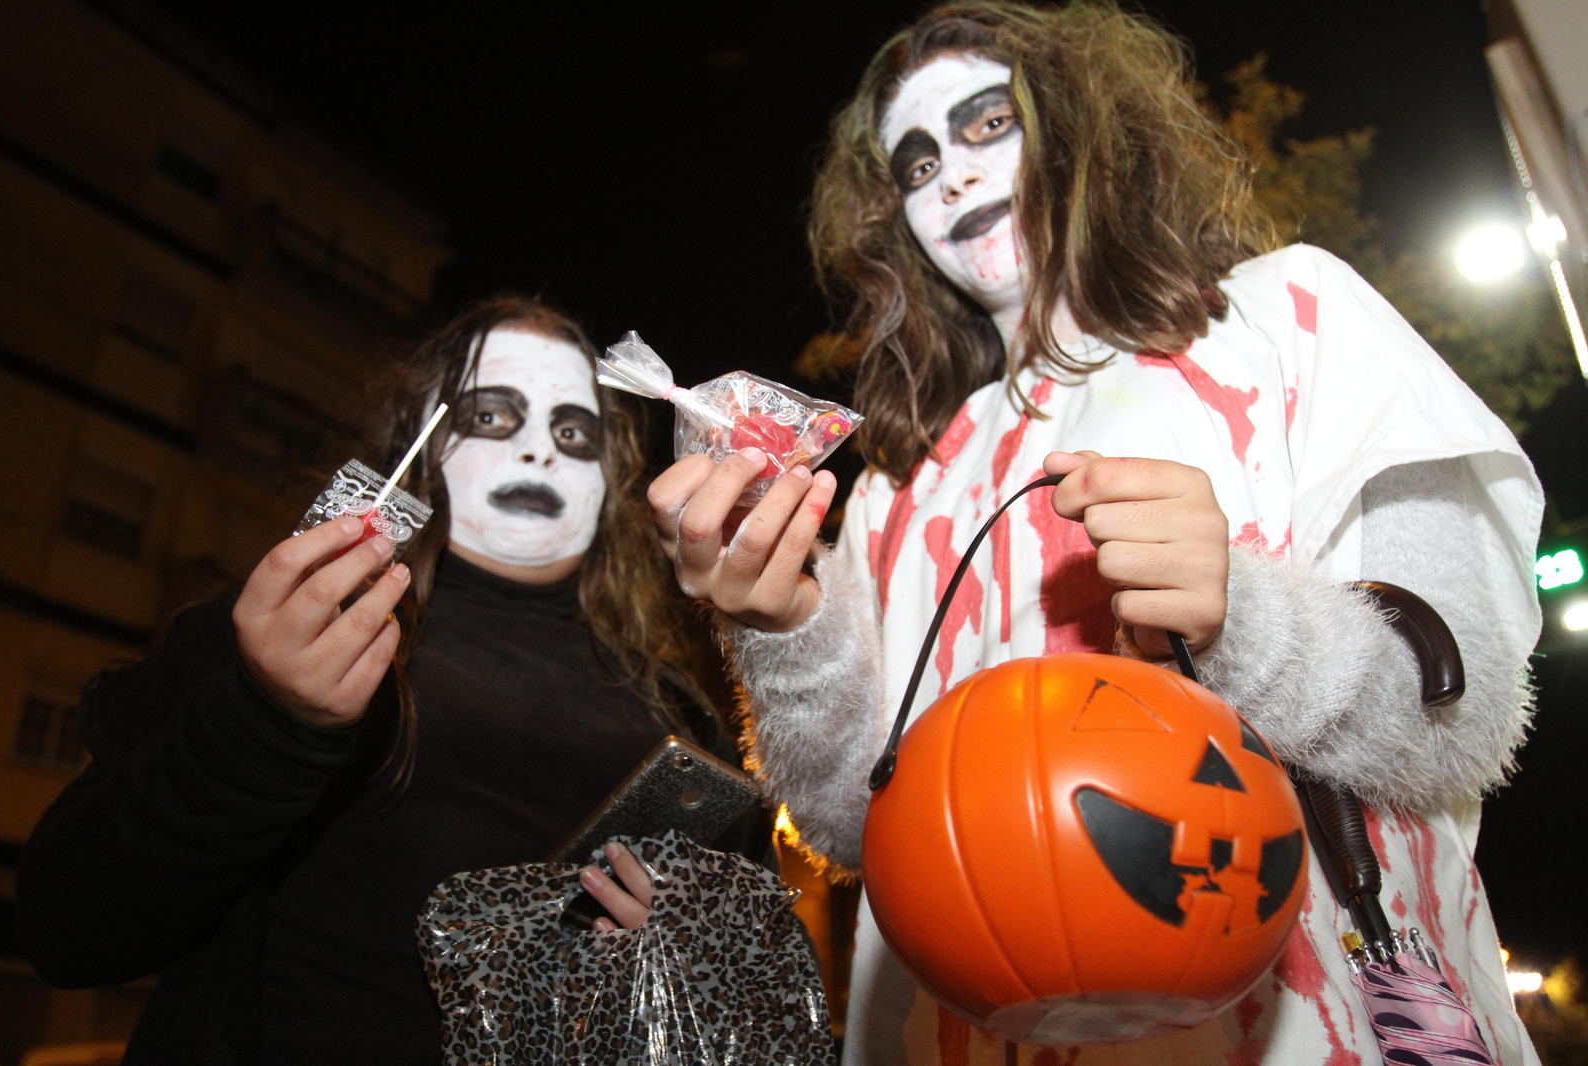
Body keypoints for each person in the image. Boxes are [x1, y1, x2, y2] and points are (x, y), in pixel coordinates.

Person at [648, 3, 1543, 1064]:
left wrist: (1240, 619)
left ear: (1081, 128)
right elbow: (859, 834)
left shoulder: (1297, 319)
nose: (950, 180)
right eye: (916, 163)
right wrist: (783, 623)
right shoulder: (900, 485)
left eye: (987, 124)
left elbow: (1463, 712)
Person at [17, 296, 766, 1065]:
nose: (541, 453)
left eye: (573, 432)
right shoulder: (286, 633)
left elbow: (742, 1004)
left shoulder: (681, 720)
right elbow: (67, 930)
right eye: (492, 417)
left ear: (610, 476)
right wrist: (265, 722)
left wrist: (677, 967)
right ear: (423, 445)